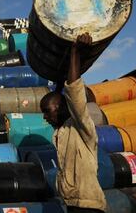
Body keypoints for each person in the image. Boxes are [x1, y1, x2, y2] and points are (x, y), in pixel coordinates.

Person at [40, 33, 106, 213]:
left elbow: (74, 92)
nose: (44, 117)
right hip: (71, 205)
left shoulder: (80, 127)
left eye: (47, 111)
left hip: (89, 207)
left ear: (61, 108)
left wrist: (75, 52)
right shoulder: (60, 132)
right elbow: (62, 92)